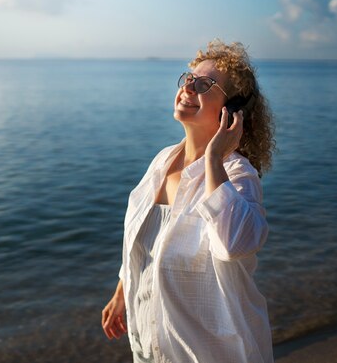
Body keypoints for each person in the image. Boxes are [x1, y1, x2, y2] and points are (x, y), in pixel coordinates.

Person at [102, 39, 276, 363]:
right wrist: (121, 293)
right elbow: (141, 243)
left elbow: (235, 243)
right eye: (188, 78)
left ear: (231, 112)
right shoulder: (162, 161)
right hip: (149, 348)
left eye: (204, 84)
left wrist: (213, 159)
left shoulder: (238, 175)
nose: (188, 87)